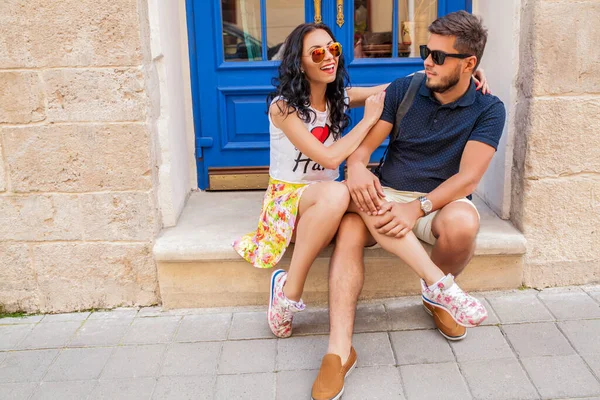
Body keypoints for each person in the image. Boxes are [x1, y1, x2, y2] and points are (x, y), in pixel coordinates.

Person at [311, 11, 505, 400]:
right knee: (350, 227)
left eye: (438, 56)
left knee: (463, 225)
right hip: (385, 194)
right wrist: (359, 169)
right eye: (425, 51)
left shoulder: (489, 109)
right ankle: (339, 350)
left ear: (469, 65)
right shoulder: (407, 89)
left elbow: (467, 179)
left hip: (438, 200)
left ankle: (436, 297)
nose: (426, 62)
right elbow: (362, 149)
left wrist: (416, 208)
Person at [233, 23, 387, 338]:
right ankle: (289, 291)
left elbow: (392, 88)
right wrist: (370, 118)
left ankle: (434, 281)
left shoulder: (339, 99)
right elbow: (329, 159)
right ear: (299, 63)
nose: (328, 57)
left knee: (362, 196)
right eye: (317, 53)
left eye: (333, 49)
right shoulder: (283, 108)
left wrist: (458, 76)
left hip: (325, 200)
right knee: (337, 194)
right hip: (288, 201)